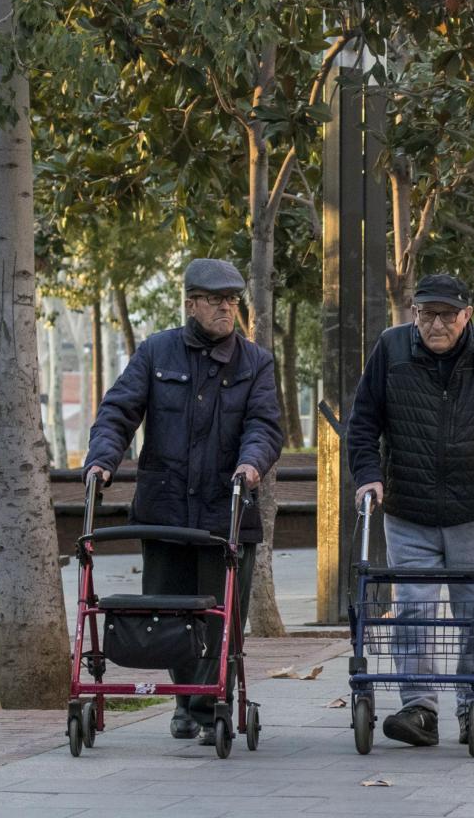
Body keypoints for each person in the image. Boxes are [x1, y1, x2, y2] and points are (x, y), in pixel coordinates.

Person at [85, 258, 283, 741]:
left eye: (232, 301)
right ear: (191, 303)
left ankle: (209, 701)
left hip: (226, 511)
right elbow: (119, 410)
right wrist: (102, 458)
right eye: (216, 301)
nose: (225, 310)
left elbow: (264, 425)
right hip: (165, 510)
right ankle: (183, 703)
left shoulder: (254, 362)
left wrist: (251, 463)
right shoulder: (157, 352)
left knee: (220, 618)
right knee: (168, 613)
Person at [347, 273, 474, 749]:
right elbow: (363, 422)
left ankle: (473, 700)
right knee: (414, 609)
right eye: (425, 314)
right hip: (408, 507)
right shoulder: (391, 350)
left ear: (466, 315)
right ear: (413, 314)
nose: (435, 324)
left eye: (446, 315)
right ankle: (419, 708)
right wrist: (369, 475)